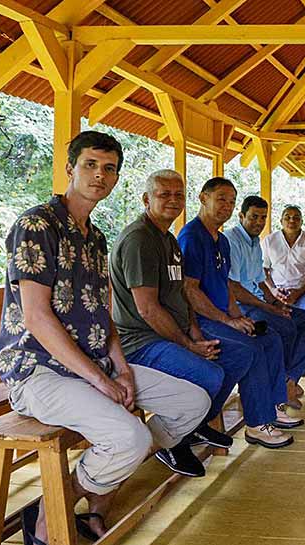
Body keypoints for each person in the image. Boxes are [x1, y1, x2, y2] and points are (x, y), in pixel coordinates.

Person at [0, 132, 210, 544]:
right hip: (37, 370)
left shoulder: (95, 237)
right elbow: (38, 319)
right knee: (129, 436)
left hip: (93, 363)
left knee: (192, 403)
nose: (99, 175)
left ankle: (66, 496)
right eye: (91, 165)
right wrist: (102, 381)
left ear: (116, 178)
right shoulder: (36, 225)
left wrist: (122, 370)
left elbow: (102, 314)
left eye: (109, 168)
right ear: (70, 168)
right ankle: (51, 518)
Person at [110, 169, 244, 458]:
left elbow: (180, 294)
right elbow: (147, 309)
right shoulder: (139, 240)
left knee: (231, 358)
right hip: (140, 343)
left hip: (169, 336)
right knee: (208, 375)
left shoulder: (168, 240)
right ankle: (169, 443)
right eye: (164, 194)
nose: (173, 200)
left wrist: (195, 335)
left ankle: (189, 427)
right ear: (147, 199)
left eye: (178, 195)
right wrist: (188, 346)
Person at [178, 177, 300, 449]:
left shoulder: (220, 241)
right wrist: (228, 320)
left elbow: (226, 286)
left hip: (222, 315)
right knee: (252, 349)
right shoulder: (192, 236)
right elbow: (189, 290)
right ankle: (256, 424)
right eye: (221, 199)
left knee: (270, 339)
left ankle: (272, 408)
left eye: (232, 201)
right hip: (201, 320)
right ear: (203, 197)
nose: (227, 206)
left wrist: (239, 317)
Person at [225, 196, 305, 408]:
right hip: (240, 307)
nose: (259, 222)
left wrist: (278, 305)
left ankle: (289, 380)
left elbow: (259, 281)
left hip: (261, 301)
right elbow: (234, 288)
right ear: (241, 216)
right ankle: (280, 387)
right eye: (253, 217)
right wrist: (269, 307)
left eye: (262, 217)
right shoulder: (232, 240)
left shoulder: (255, 242)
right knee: (285, 327)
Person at [262, 205, 305, 314]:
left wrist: (298, 292)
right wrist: (272, 289)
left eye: (296, 218)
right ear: (281, 221)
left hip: (304, 291)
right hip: (276, 290)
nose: (292, 220)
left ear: (301, 222)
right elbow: (263, 269)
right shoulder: (269, 241)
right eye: (287, 217)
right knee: (271, 317)